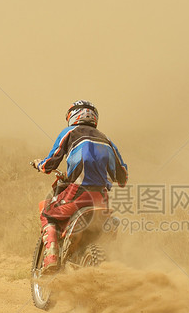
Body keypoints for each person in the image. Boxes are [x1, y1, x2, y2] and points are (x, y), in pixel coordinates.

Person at [31, 100, 128, 272]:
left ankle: (51, 257)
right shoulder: (107, 140)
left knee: (47, 212)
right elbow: (122, 178)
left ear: (72, 115)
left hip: (77, 193)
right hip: (101, 199)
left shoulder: (69, 132)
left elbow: (50, 163)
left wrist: (39, 164)